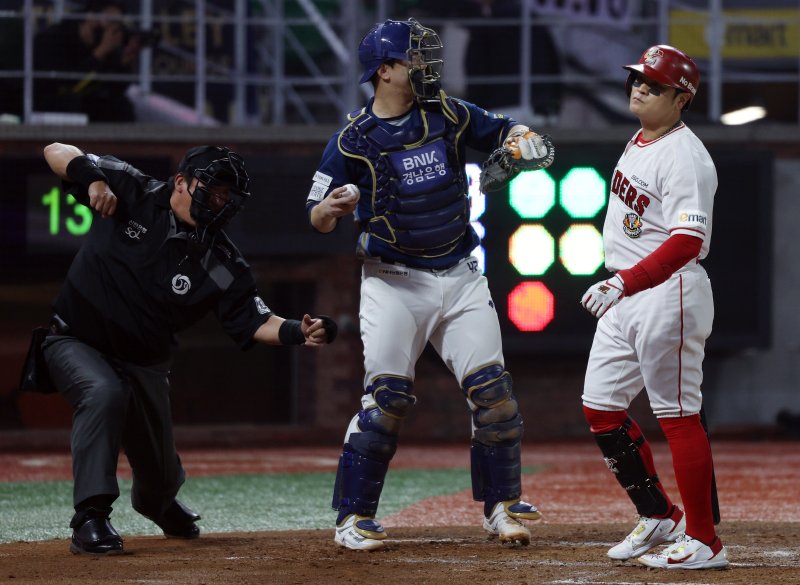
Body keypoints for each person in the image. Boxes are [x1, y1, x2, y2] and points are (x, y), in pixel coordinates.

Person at [305, 17, 550, 551]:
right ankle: (354, 516)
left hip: (460, 275)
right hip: (393, 281)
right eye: (413, 58)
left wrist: (520, 140)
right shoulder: (350, 141)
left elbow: (507, 129)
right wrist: (329, 208)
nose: (425, 67)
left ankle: (503, 505)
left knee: (495, 395)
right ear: (385, 71)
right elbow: (316, 215)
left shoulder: (451, 114)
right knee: (386, 399)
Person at [41, 141, 337, 555]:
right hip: (76, 339)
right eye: (212, 188)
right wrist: (91, 180)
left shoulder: (221, 262)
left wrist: (299, 331)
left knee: (160, 473)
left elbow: (256, 320)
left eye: (226, 194)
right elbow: (56, 150)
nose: (219, 200)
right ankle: (90, 516)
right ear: (180, 182)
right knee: (103, 392)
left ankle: (158, 503)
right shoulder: (134, 190)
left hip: (145, 361)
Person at [579, 45, 728, 570]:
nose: (639, 88)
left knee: (679, 416)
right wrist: (623, 283)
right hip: (629, 294)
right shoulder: (642, 138)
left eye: (654, 85)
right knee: (600, 408)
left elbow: (687, 241)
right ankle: (659, 513)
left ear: (681, 98)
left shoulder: (686, 157)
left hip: (669, 293)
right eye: (637, 81)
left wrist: (625, 280)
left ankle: (705, 542)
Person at [33, 0, 148, 122]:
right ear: (90, 17)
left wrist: (123, 63)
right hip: (51, 101)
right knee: (73, 103)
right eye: (111, 22)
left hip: (87, 101)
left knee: (121, 106)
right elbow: (68, 85)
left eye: (117, 24)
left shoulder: (103, 44)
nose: (113, 29)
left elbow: (115, 90)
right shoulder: (54, 39)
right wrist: (99, 53)